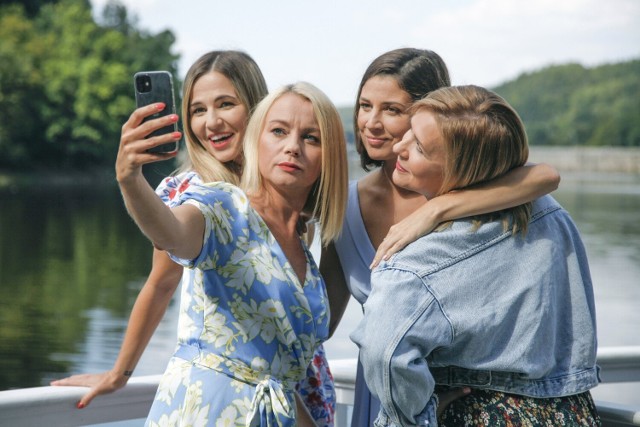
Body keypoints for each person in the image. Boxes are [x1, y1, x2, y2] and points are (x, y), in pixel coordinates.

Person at [51, 51, 336, 426]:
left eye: (226, 104)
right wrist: (119, 372)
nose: (212, 122)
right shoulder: (199, 192)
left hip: (295, 389)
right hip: (230, 394)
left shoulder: (289, 194)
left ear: (257, 108)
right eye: (198, 111)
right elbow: (161, 277)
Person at [319, 48, 562, 427]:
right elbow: (321, 323)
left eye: (392, 110)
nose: (371, 122)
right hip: (387, 398)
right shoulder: (343, 204)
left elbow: (545, 177)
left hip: (460, 400)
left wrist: (438, 209)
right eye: (365, 105)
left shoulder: (467, 192)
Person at [351, 85, 600, 427]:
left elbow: (383, 351)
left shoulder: (417, 265)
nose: (399, 147)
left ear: (462, 171)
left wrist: (413, 419)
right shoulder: (552, 216)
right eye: (409, 132)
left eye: (420, 148)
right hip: (572, 414)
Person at [115, 81, 348, 426]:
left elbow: (278, 378)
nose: (293, 147)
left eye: (311, 138)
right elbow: (172, 232)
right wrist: (130, 179)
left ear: (329, 157)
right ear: (257, 139)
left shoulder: (304, 243)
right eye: (279, 131)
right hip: (206, 412)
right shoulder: (225, 207)